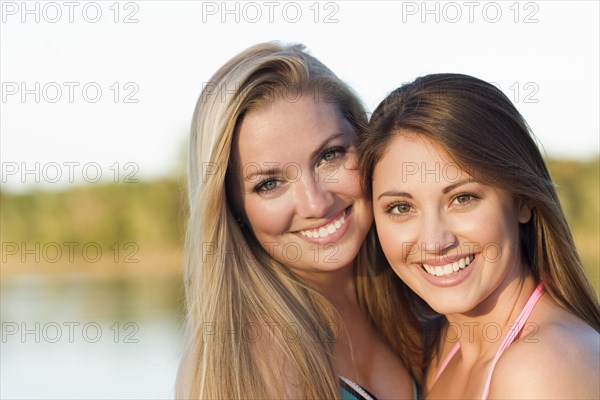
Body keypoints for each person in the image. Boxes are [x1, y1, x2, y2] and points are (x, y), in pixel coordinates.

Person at [176, 42, 421, 399]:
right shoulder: (252, 360)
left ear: (367, 144)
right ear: (232, 209)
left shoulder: (417, 290)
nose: (316, 202)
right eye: (270, 183)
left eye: (330, 156)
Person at [358, 73, 600, 399]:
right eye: (401, 207)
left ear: (522, 201)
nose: (434, 241)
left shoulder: (540, 369)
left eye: (462, 198)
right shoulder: (443, 347)